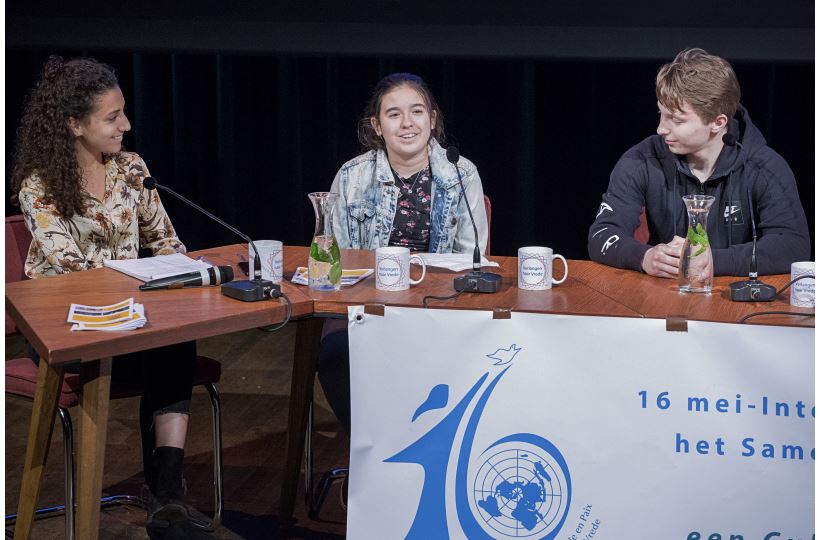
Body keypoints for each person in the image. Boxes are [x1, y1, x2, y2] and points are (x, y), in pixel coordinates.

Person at [10, 56, 211, 540]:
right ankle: (160, 496)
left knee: (176, 342)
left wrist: (177, 271)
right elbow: (72, 272)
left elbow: (167, 242)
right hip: (68, 327)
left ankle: (166, 494)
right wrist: (142, 285)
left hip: (130, 319)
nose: (126, 124)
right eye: (112, 116)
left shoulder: (132, 170)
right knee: (162, 345)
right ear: (75, 125)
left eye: (123, 112)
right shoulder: (39, 187)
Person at [319, 73, 489, 436]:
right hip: (365, 308)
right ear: (377, 126)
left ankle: (425, 442)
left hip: (439, 308)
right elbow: (335, 259)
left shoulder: (462, 173)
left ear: (433, 119)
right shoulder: (351, 177)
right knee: (336, 355)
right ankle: (369, 450)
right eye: (394, 114)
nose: (408, 123)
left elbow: (469, 258)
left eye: (417, 112)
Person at [587, 48, 810, 278]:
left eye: (676, 119)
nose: (661, 129)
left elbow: (793, 246)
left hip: (738, 306)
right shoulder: (641, 160)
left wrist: (714, 261)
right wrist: (644, 257)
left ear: (717, 122)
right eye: (661, 114)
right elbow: (601, 234)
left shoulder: (765, 167)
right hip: (664, 299)